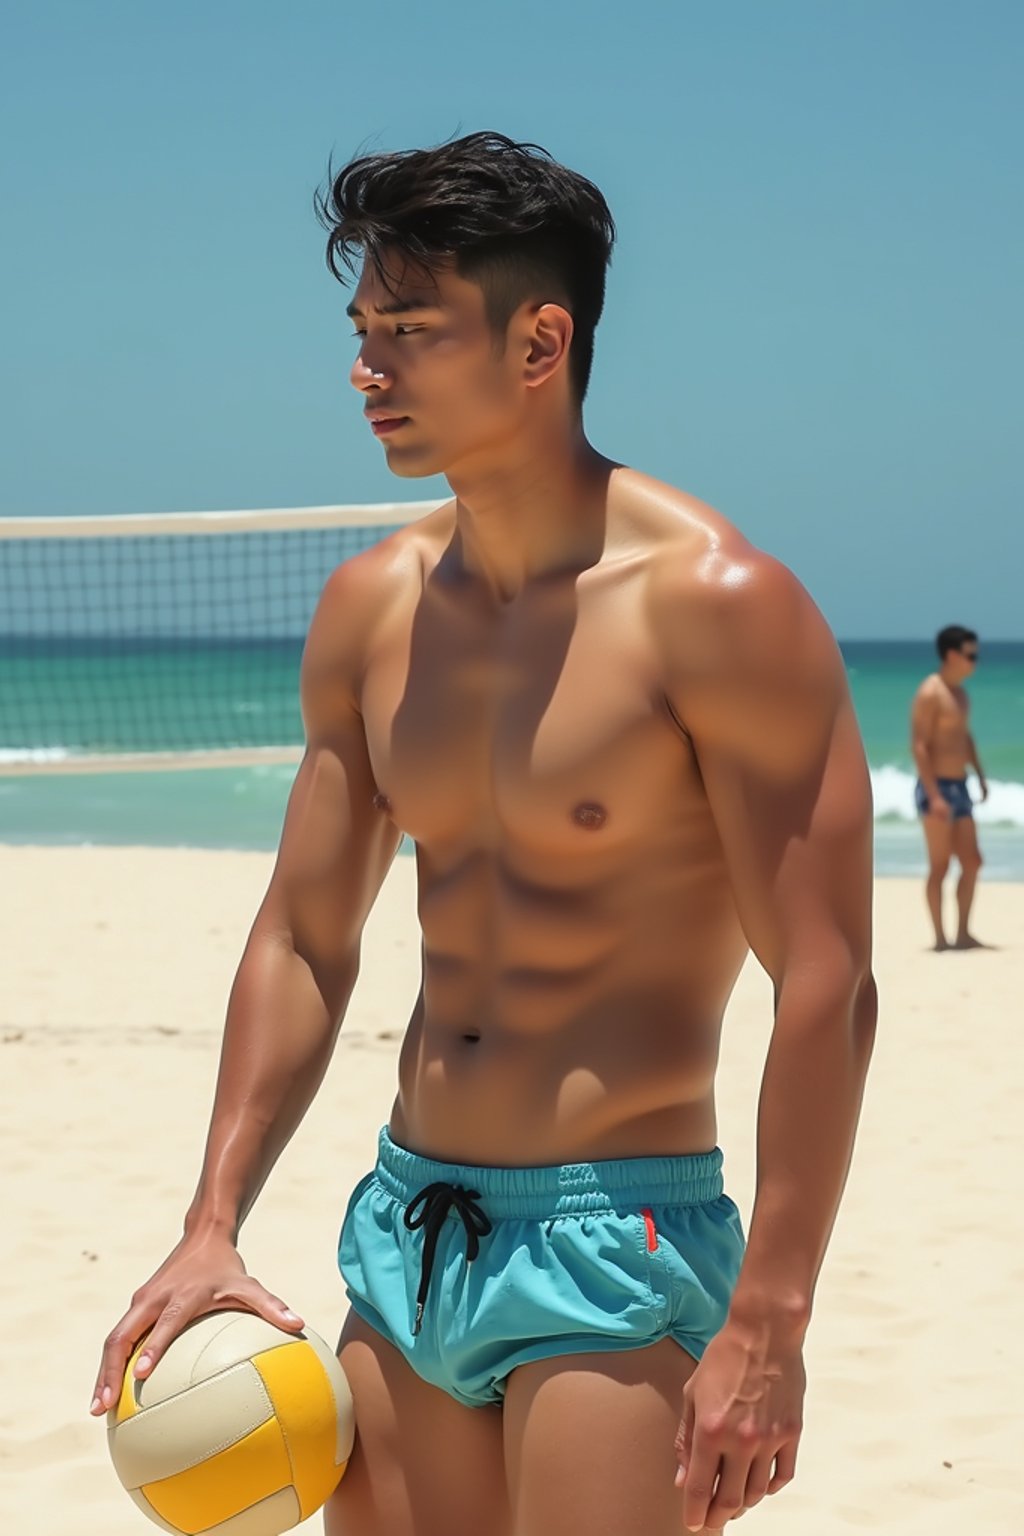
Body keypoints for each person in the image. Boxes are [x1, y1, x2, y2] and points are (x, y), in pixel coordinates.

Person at [91, 133, 877, 1536]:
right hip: (408, 1228)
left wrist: (773, 1314)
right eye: (362, 331)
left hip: (615, 1245)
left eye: (409, 331)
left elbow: (825, 979)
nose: (366, 369)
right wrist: (212, 1218)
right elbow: (303, 934)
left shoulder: (718, 606)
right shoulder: (372, 613)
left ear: (538, 342)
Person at [910, 624, 988, 951]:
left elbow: (963, 738)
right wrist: (934, 795)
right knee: (940, 866)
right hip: (937, 788)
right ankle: (940, 938)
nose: (976, 660)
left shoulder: (961, 694)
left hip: (960, 785)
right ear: (953, 655)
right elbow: (919, 745)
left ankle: (964, 933)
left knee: (972, 861)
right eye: (971, 654)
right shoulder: (931, 691)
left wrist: (980, 775)